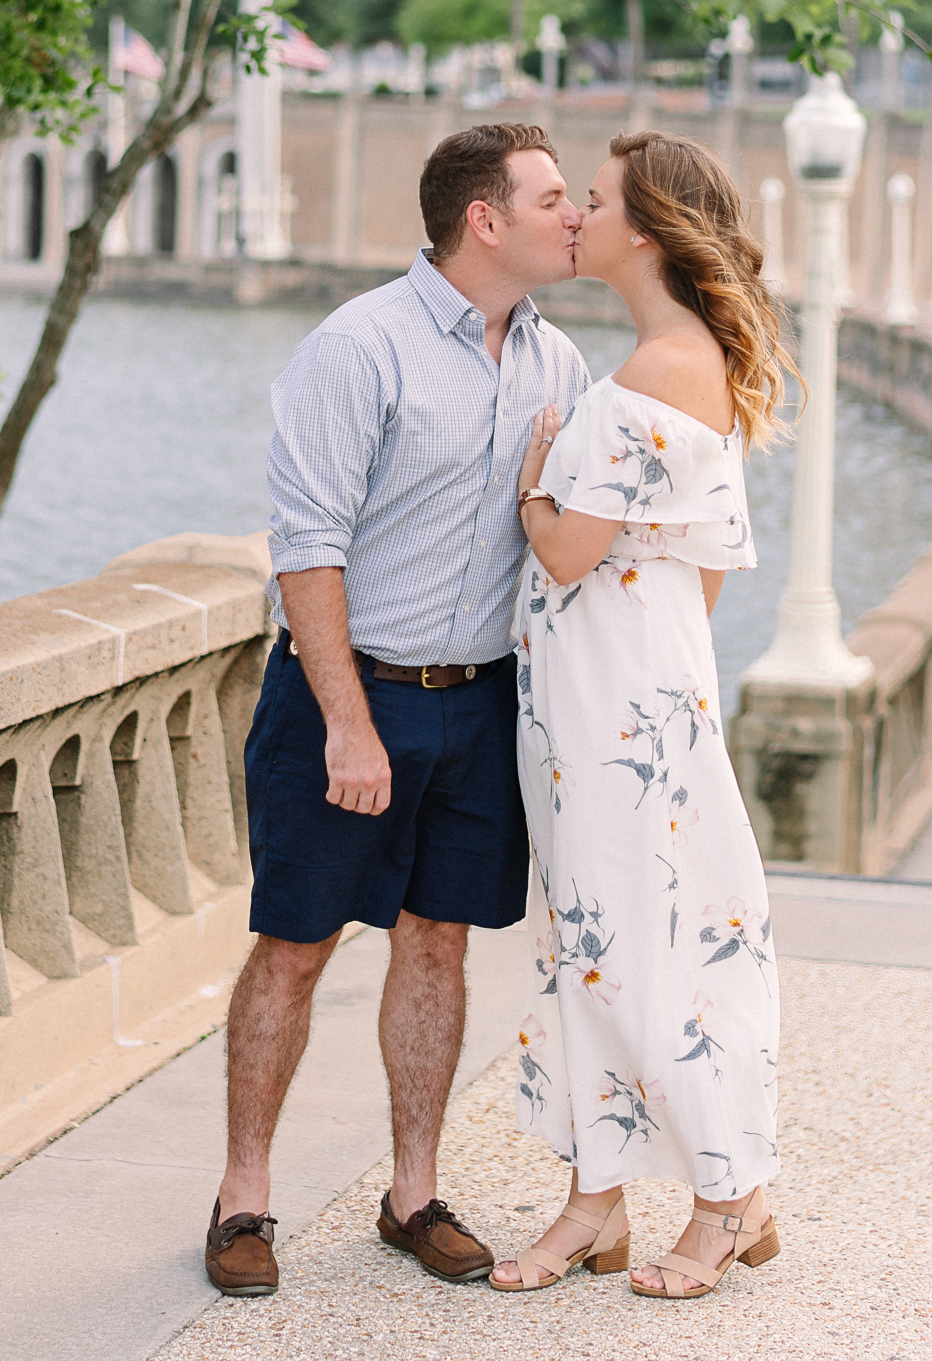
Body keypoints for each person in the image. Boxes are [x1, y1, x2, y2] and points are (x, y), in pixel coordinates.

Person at [205, 123, 590, 1298]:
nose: (575, 216)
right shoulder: (357, 347)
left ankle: (412, 1194)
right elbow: (308, 550)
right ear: (486, 219)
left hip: (479, 707)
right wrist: (346, 721)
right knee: (296, 947)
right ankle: (244, 1201)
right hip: (346, 696)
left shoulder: (557, 363)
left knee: (438, 942)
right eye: (555, 199)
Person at [489, 130, 794, 1299]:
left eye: (597, 200)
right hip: (634, 688)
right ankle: (596, 1204)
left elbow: (565, 549)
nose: (578, 216)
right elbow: (708, 567)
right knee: (600, 939)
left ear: (649, 232)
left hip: (608, 702)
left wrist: (539, 466)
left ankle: (730, 1199)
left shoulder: (649, 374)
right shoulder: (686, 356)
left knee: (635, 945)